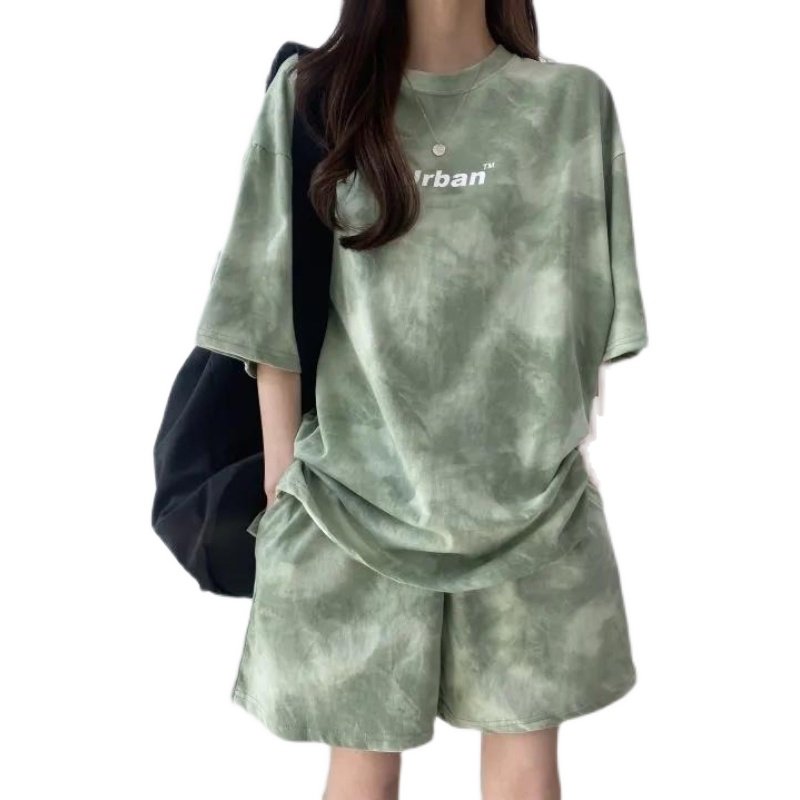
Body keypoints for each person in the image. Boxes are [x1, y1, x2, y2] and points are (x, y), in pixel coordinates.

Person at [193, 1, 648, 798]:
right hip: (349, 503)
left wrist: (556, 458)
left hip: (531, 508)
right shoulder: (314, 97)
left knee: (525, 774)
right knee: (362, 773)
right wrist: (281, 486)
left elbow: (586, 317)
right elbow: (263, 312)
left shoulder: (571, 103)